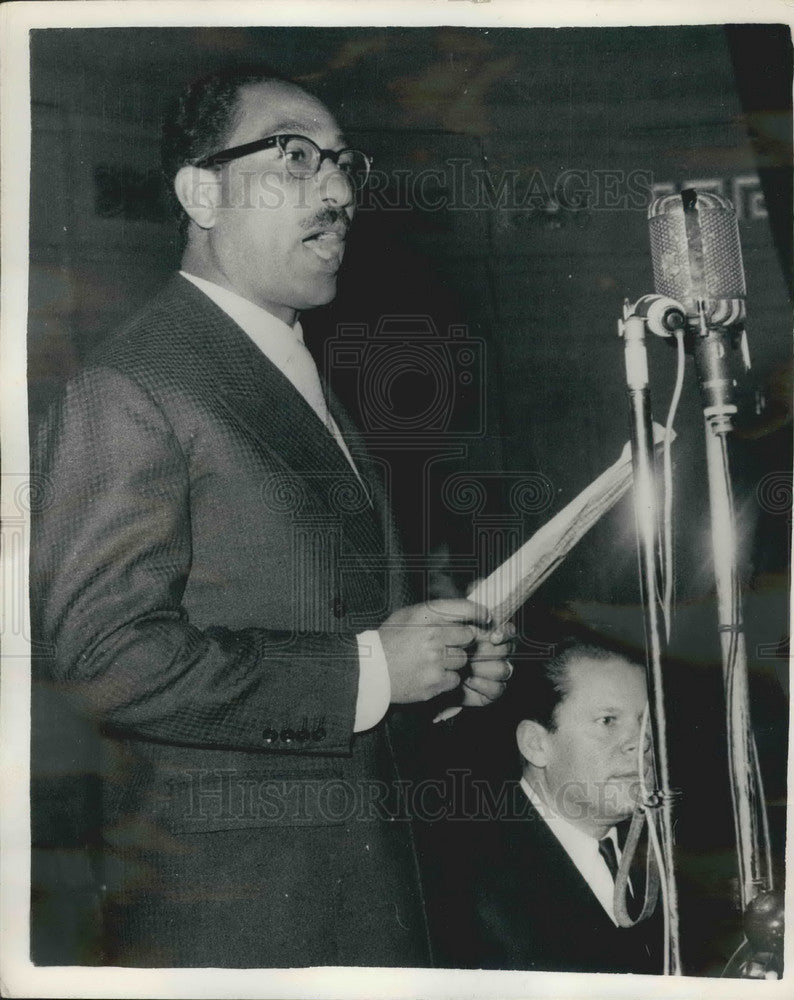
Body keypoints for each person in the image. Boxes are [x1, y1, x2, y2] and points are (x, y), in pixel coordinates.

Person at [29, 67, 513, 968]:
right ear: (200, 192)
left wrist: (437, 670)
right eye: (294, 157)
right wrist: (370, 668)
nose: (336, 192)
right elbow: (101, 657)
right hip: (237, 924)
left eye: (341, 165)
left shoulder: (287, 364)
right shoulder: (131, 385)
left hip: (357, 895)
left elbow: (328, 617)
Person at [432, 638, 663, 974]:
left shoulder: (666, 859)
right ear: (536, 745)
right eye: (608, 721)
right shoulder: (465, 882)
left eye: (645, 722)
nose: (640, 744)